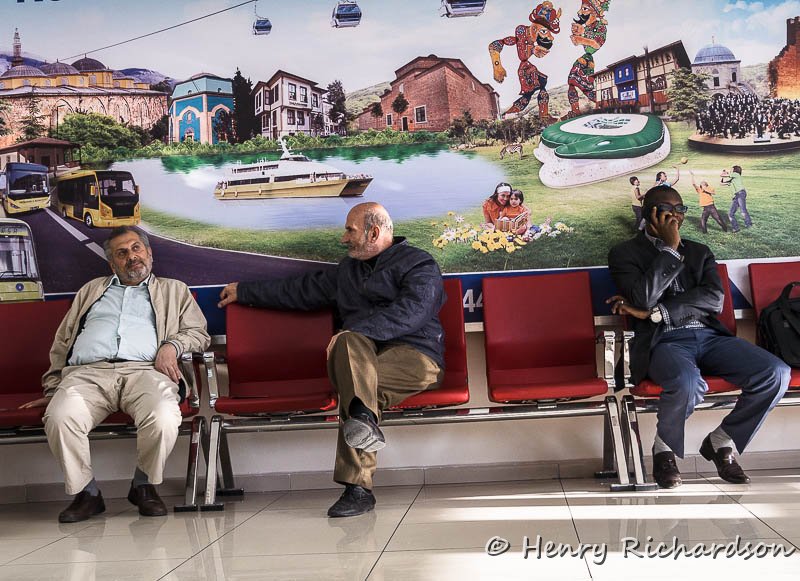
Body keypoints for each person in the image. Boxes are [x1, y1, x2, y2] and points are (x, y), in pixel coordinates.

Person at [218, 202, 445, 518]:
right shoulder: (347, 272)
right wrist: (245, 292)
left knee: (353, 368)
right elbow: (299, 290)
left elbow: (413, 312)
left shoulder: (419, 264)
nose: (343, 238)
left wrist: (356, 331)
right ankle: (361, 437)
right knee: (352, 361)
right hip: (359, 358)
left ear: (374, 233)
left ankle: (358, 488)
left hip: (416, 358)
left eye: (350, 230)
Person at [20, 227, 210, 523]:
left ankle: (143, 485)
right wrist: (53, 390)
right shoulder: (91, 291)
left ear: (149, 253)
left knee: (164, 415)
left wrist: (172, 346)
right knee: (60, 416)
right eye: (122, 253)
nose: (131, 256)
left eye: (136, 248)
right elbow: (63, 342)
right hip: (88, 374)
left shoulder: (174, 290)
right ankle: (87, 494)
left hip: (146, 371)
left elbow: (199, 333)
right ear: (112, 264)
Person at [607, 186, 789, 489]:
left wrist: (657, 312)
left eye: (681, 209)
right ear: (650, 213)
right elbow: (642, 298)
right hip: (663, 342)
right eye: (668, 209)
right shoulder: (624, 254)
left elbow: (714, 299)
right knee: (688, 383)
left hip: (710, 336)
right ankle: (664, 450)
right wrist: (669, 250)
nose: (677, 216)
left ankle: (722, 440)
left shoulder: (699, 252)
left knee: (776, 373)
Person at [721, 165, 752, 233]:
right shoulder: (732, 179)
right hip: (735, 196)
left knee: (743, 210)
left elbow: (723, 175)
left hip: (740, 193)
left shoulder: (736, 174)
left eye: (731, 169)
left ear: (735, 170)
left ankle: (749, 224)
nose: (730, 170)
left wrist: (724, 173)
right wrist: (723, 176)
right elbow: (721, 183)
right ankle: (736, 228)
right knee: (730, 213)